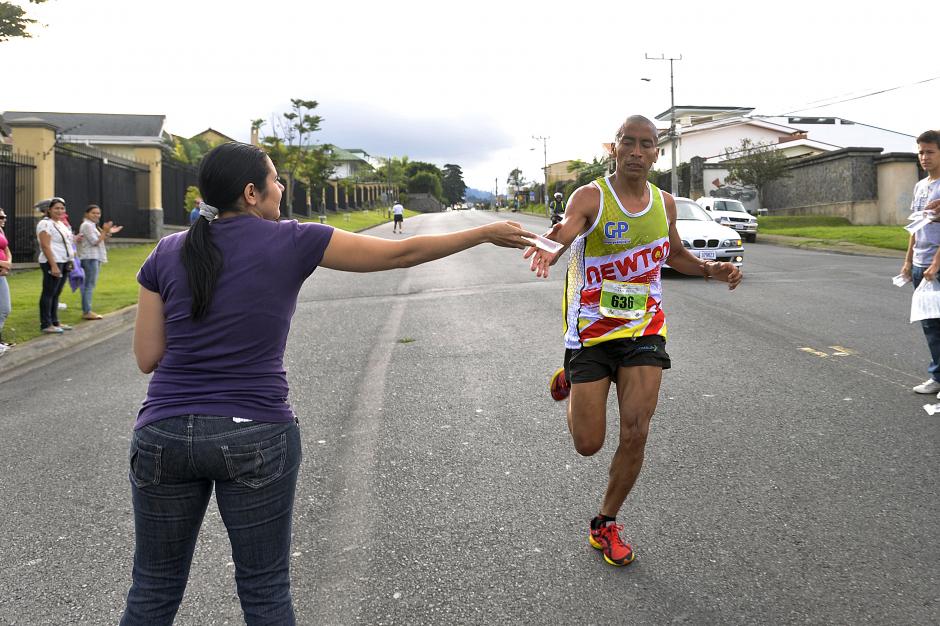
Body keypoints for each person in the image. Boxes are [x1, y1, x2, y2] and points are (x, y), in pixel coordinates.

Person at [122, 142, 535, 624]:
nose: (282, 188)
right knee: (263, 589)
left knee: (153, 588)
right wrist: (482, 233)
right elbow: (401, 254)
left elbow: (147, 357)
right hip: (254, 429)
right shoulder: (293, 240)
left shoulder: (167, 251)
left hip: (161, 435)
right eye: (276, 180)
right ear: (251, 192)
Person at [523, 115, 742, 567]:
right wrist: (551, 247)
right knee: (588, 443)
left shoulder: (665, 203)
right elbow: (567, 229)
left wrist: (709, 269)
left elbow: (674, 254)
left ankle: (605, 523)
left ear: (657, 153)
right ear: (615, 148)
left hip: (644, 327)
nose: (637, 151)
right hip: (592, 331)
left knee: (637, 431)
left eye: (647, 144)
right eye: (629, 142)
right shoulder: (592, 196)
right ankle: (571, 375)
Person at [901, 129, 940, 394]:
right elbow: (915, 227)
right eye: (920, 152)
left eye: (930, 151)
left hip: (936, 266)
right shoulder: (920, 186)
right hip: (919, 263)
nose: (924, 157)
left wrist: (937, 263)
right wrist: (907, 262)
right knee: (930, 325)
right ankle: (937, 376)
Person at [36, 197, 76, 334]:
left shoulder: (60, 224)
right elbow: (45, 246)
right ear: (49, 210)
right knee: (48, 292)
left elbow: (65, 242)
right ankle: (46, 324)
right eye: (56, 208)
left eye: (62, 208)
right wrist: (53, 265)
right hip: (53, 261)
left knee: (56, 293)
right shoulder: (45, 224)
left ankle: (55, 321)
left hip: (64, 261)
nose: (60, 211)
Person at [76, 204, 123, 320]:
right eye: (94, 213)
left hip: (94, 257)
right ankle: (87, 311)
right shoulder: (87, 225)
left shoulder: (93, 225)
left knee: (89, 285)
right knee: (89, 285)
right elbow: (95, 242)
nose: (97, 215)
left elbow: (102, 239)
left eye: (98, 213)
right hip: (90, 258)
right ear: (87, 214)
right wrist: (105, 231)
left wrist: (108, 232)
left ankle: (87, 310)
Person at [0, 207, 12, 355]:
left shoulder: (1, 231)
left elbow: (7, 250)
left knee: (4, 309)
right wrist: (3, 264)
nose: (3, 220)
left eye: (4, 217)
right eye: (0, 217)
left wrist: (7, 264)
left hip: (2, 273)